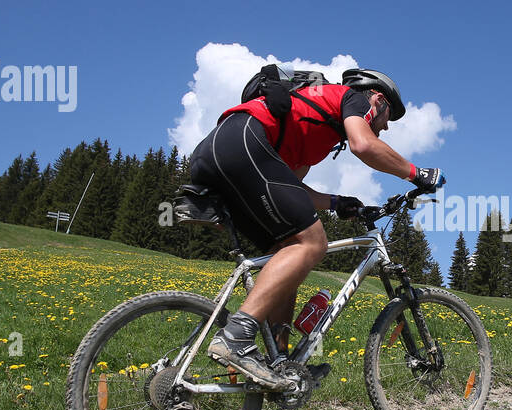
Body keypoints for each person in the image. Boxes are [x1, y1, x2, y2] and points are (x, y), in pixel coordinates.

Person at [187, 66, 443, 390]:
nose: (387, 126)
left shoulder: (309, 123)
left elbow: (289, 185)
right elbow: (363, 145)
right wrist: (416, 173)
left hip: (217, 152)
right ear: (377, 99)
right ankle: (237, 335)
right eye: (389, 114)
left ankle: (278, 363)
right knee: (312, 243)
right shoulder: (352, 99)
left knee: (287, 250)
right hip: (242, 143)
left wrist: (336, 202)